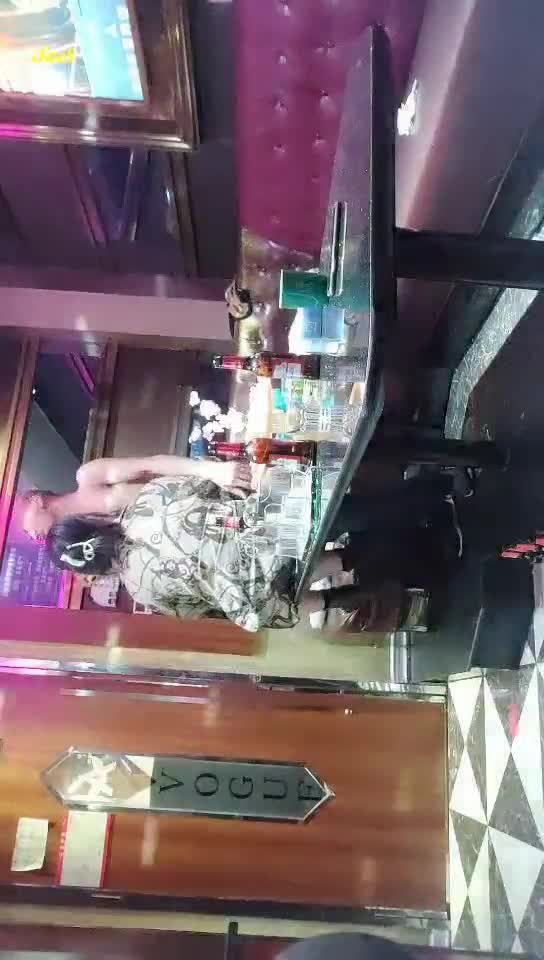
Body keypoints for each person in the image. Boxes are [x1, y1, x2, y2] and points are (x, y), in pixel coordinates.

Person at [23, 455, 460, 634]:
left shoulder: (140, 590)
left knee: (314, 561)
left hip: (267, 599)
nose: (32, 535)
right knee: (307, 518)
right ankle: (430, 500)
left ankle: (421, 556)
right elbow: (208, 493)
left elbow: (202, 609)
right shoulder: (147, 503)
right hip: (266, 541)